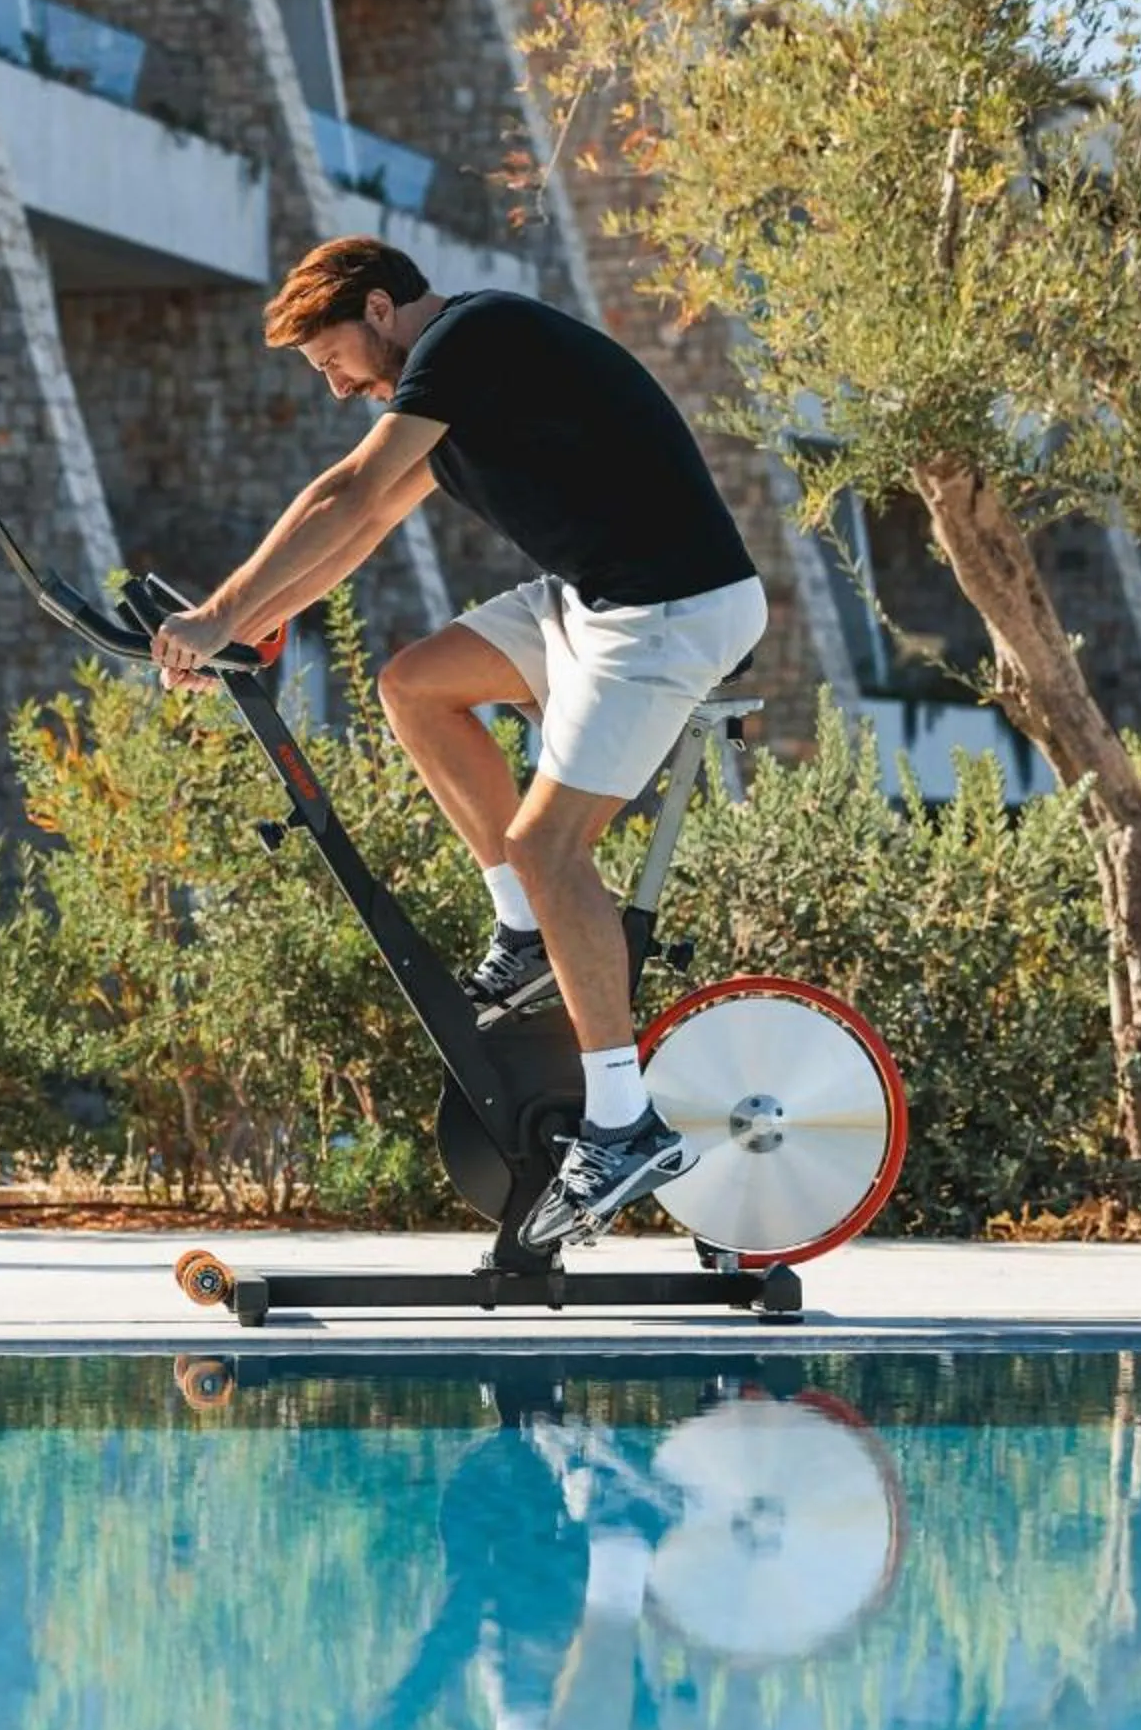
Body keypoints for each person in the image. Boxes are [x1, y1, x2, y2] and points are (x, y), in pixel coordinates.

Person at [149, 236, 765, 1246]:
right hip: (592, 600)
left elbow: (347, 491)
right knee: (415, 684)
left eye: (332, 359)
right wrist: (251, 624)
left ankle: (624, 1121)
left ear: (381, 308)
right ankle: (526, 931)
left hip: (669, 609)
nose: (339, 384)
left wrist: (222, 611)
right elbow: (358, 522)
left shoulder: (475, 336)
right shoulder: (450, 385)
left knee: (547, 842)